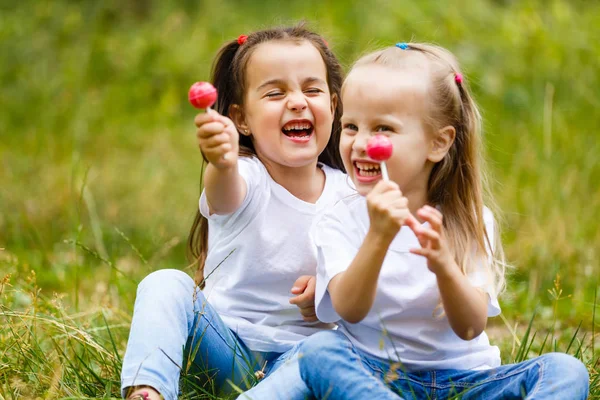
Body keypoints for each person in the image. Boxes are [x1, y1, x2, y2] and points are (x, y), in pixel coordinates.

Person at [296, 42, 590, 399]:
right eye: (352, 126)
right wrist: (378, 237)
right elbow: (350, 309)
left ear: (438, 143)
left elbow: (469, 327)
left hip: (467, 380)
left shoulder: (469, 220)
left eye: (383, 128)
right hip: (376, 375)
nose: (361, 143)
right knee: (317, 352)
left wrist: (445, 266)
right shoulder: (340, 215)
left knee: (564, 370)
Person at [120, 24, 354, 400]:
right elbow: (226, 194)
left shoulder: (353, 194)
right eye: (275, 93)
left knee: (331, 354)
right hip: (224, 350)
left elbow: (369, 281)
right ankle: (149, 390)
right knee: (164, 284)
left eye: (312, 89)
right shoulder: (246, 177)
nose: (297, 101)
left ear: (333, 105)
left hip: (302, 357)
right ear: (241, 118)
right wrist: (223, 162)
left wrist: (331, 292)